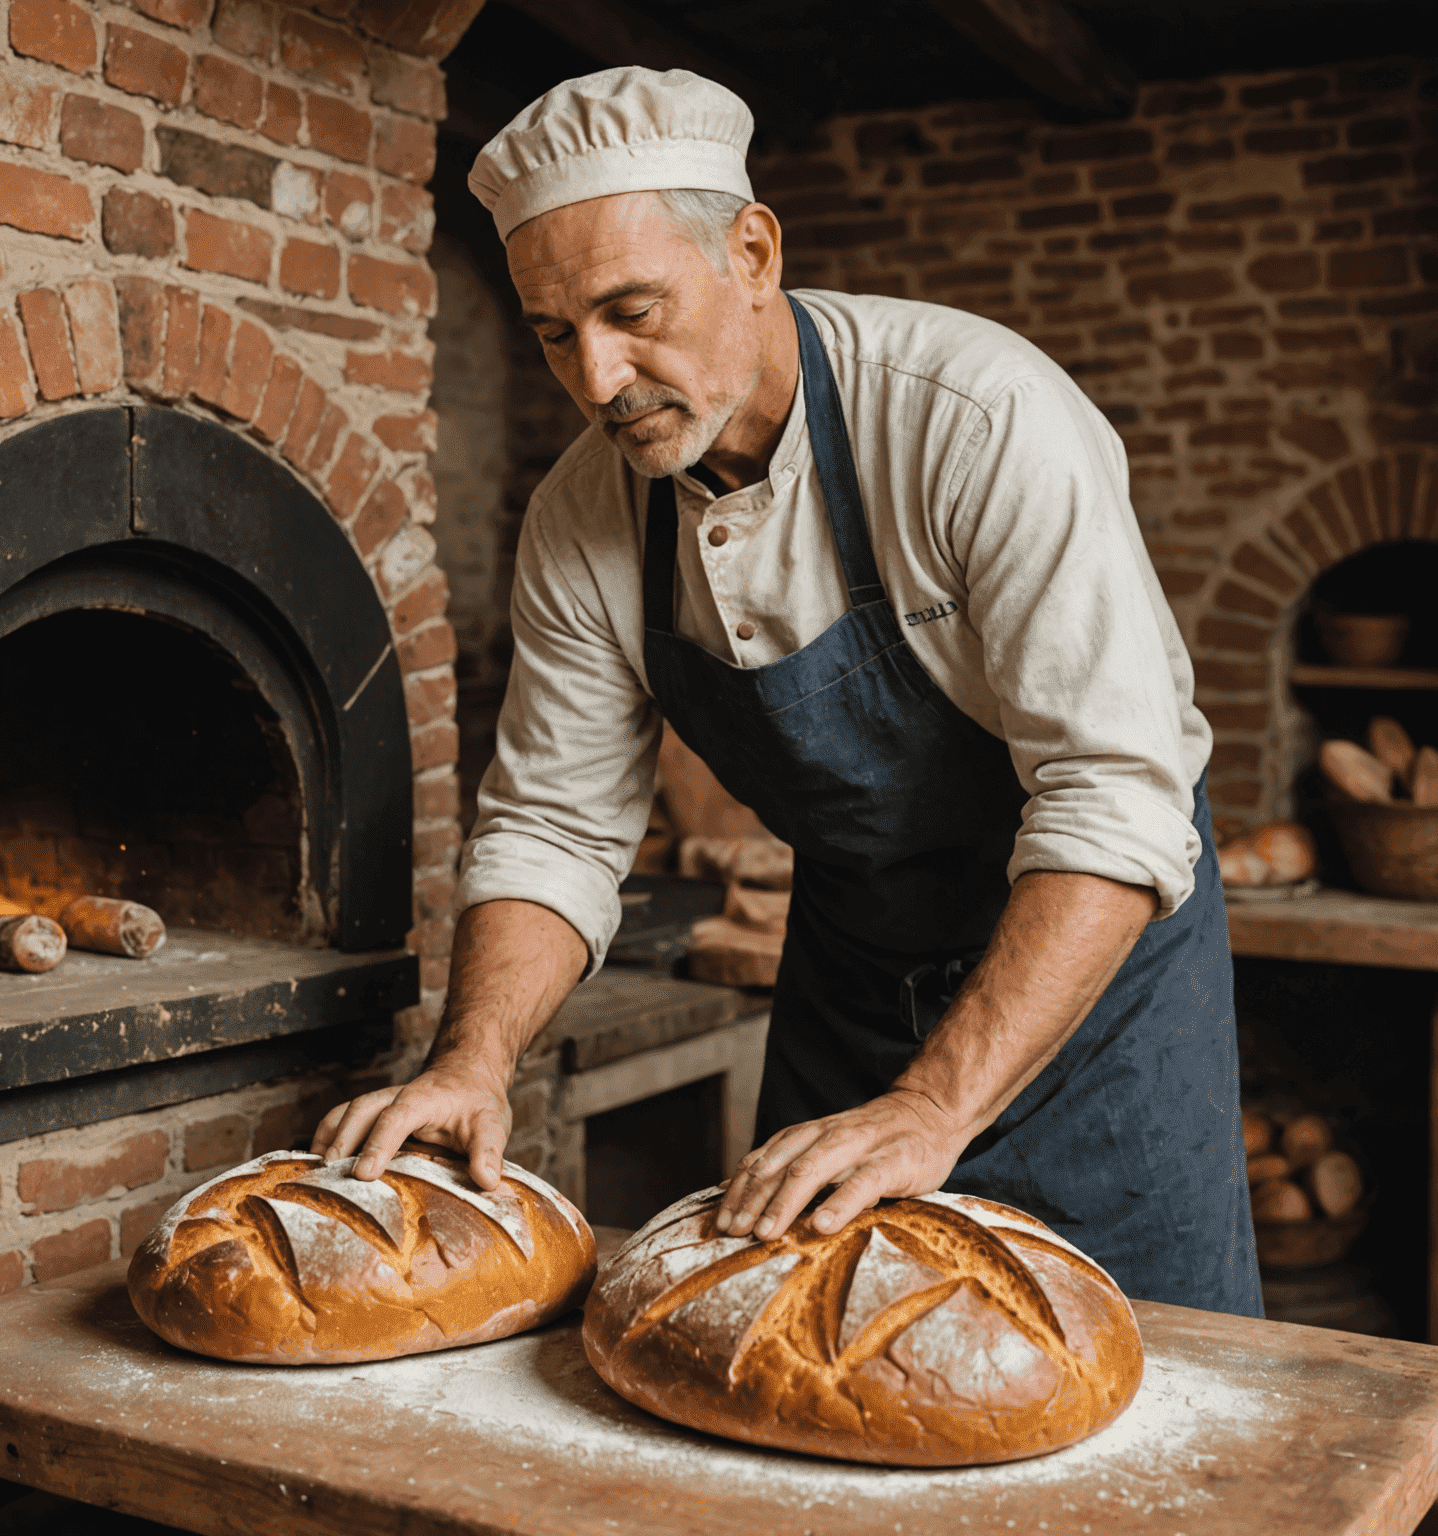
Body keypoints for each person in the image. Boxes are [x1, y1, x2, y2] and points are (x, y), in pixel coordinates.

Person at [313, 66, 1261, 1315]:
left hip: (1095, 992)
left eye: (631, 310)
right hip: (855, 970)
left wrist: (932, 1108)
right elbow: (556, 826)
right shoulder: (583, 518)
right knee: (813, 1368)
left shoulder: (975, 420)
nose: (598, 379)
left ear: (752, 251)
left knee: (1147, 1389)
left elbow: (1115, 794)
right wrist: (470, 1064)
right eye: (554, 334)